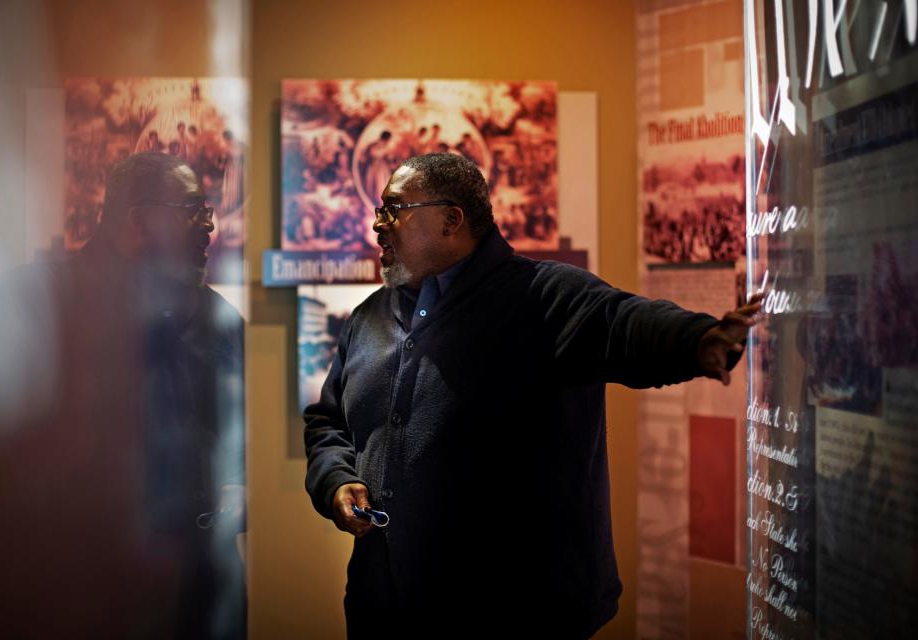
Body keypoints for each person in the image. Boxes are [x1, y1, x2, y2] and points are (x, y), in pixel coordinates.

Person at [304, 153, 760, 639]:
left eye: (394, 208)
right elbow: (328, 422)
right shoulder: (369, 318)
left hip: (518, 613)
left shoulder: (545, 297)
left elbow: (625, 324)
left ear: (452, 219)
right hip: (386, 609)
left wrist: (698, 340)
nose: (378, 224)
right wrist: (335, 480)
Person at [0, 152, 246, 639]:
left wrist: (236, 495)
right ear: (140, 220)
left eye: (207, 211)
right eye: (191, 210)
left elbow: (240, 444)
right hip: (61, 601)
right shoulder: (34, 299)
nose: (208, 227)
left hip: (187, 601)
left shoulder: (215, 318)